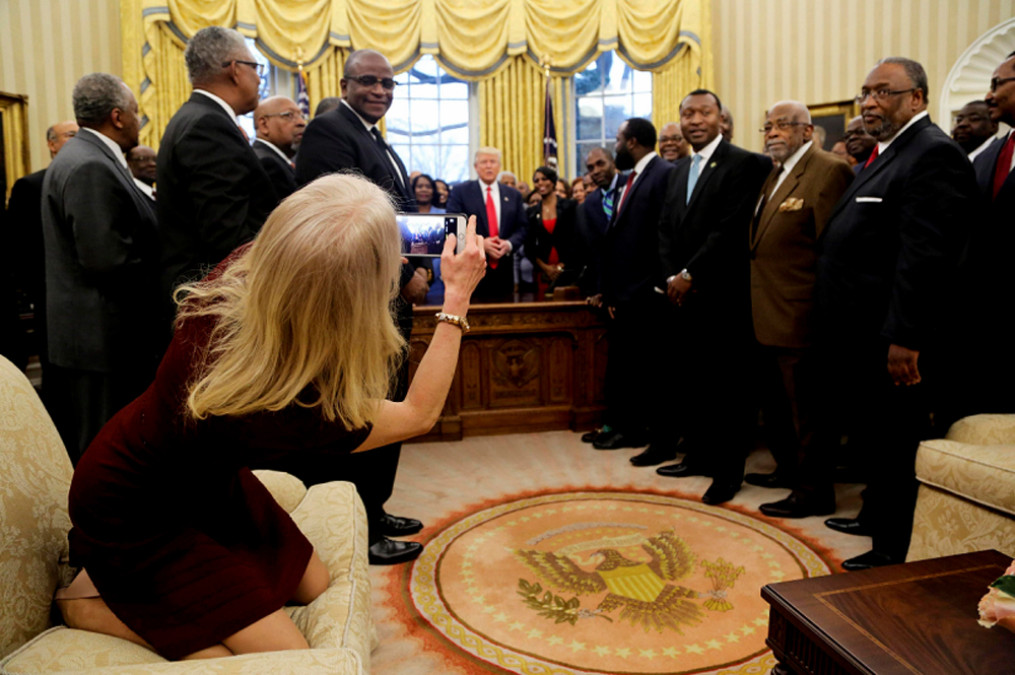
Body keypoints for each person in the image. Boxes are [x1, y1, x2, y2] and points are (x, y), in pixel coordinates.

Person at [56, 173, 487, 661]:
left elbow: (314, 243)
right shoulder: (286, 406)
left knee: (312, 582)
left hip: (198, 477)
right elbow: (417, 413)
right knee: (278, 657)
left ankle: (130, 581)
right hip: (132, 508)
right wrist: (456, 299)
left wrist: (359, 246)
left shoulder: (245, 268)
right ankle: (86, 604)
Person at [814, 57, 976, 570]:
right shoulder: (888, 153)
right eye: (865, 92)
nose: (868, 103)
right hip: (860, 333)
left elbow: (925, 256)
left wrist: (905, 336)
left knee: (895, 440)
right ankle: (872, 516)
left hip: (893, 338)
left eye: (883, 92)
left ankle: (891, 546)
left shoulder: (933, 154)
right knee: (872, 437)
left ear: (918, 99)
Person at [291, 48, 431, 565]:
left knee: (389, 403)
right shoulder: (330, 131)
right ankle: (361, 526)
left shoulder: (374, 137)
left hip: (392, 293)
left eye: (389, 84)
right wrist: (403, 275)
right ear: (346, 83)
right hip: (361, 300)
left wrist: (425, 266)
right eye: (369, 81)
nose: (381, 91)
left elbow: (403, 214)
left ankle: (377, 505)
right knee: (365, 409)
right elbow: (346, 219)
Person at [653, 90, 771, 505]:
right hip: (683, 297)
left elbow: (731, 228)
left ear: (721, 118)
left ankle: (728, 474)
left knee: (728, 391)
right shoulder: (678, 168)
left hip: (723, 295)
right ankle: (698, 457)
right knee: (694, 383)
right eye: (687, 113)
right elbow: (666, 227)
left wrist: (690, 273)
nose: (695, 120)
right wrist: (673, 275)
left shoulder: (745, 163)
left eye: (704, 112)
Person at [742, 100, 854, 518]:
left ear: (807, 131)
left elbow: (834, 252)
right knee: (781, 411)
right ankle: (790, 473)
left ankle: (813, 492)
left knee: (809, 415)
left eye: (783, 125)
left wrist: (823, 314)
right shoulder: (775, 174)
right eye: (767, 126)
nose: (772, 133)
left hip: (803, 318)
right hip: (767, 315)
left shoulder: (828, 170)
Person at [41, 73, 161, 463]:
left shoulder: (86, 156)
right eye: (136, 112)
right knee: (107, 452)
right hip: (104, 340)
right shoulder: (91, 164)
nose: (140, 121)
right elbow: (107, 261)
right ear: (118, 116)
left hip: (96, 338)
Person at [157, 26, 278, 313]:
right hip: (219, 304)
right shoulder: (207, 126)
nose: (258, 77)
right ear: (235, 70)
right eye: (256, 67)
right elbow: (228, 239)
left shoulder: (195, 118)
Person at [587, 118, 673, 454]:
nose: (616, 145)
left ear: (633, 141)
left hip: (647, 293)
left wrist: (652, 286)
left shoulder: (663, 173)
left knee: (647, 372)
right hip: (625, 294)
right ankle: (627, 428)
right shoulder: (633, 178)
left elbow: (662, 235)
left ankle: (646, 434)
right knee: (628, 369)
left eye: (619, 139)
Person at [5, 120, 79, 379]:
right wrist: (37, 287)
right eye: (71, 135)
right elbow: (19, 245)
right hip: (49, 295)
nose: (78, 140)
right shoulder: (30, 185)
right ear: (51, 144)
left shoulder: (92, 179)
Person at [446, 147, 527, 300]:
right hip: (471, 268)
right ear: (476, 167)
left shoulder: (513, 194)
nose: (489, 166)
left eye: (492, 162)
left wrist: (509, 244)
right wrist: (480, 242)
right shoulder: (460, 191)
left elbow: (522, 227)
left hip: (505, 270)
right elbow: (453, 225)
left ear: (499, 166)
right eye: (484, 162)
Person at [525, 166, 579, 297]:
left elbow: (576, 239)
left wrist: (562, 266)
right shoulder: (531, 212)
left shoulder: (570, 206)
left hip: (568, 269)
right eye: (536, 180)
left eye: (544, 179)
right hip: (542, 272)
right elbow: (528, 245)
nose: (540, 183)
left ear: (553, 181)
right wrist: (545, 268)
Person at [252, 96, 305, 201]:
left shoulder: (274, 159)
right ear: (264, 125)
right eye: (289, 115)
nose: (301, 122)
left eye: (301, 116)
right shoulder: (266, 163)